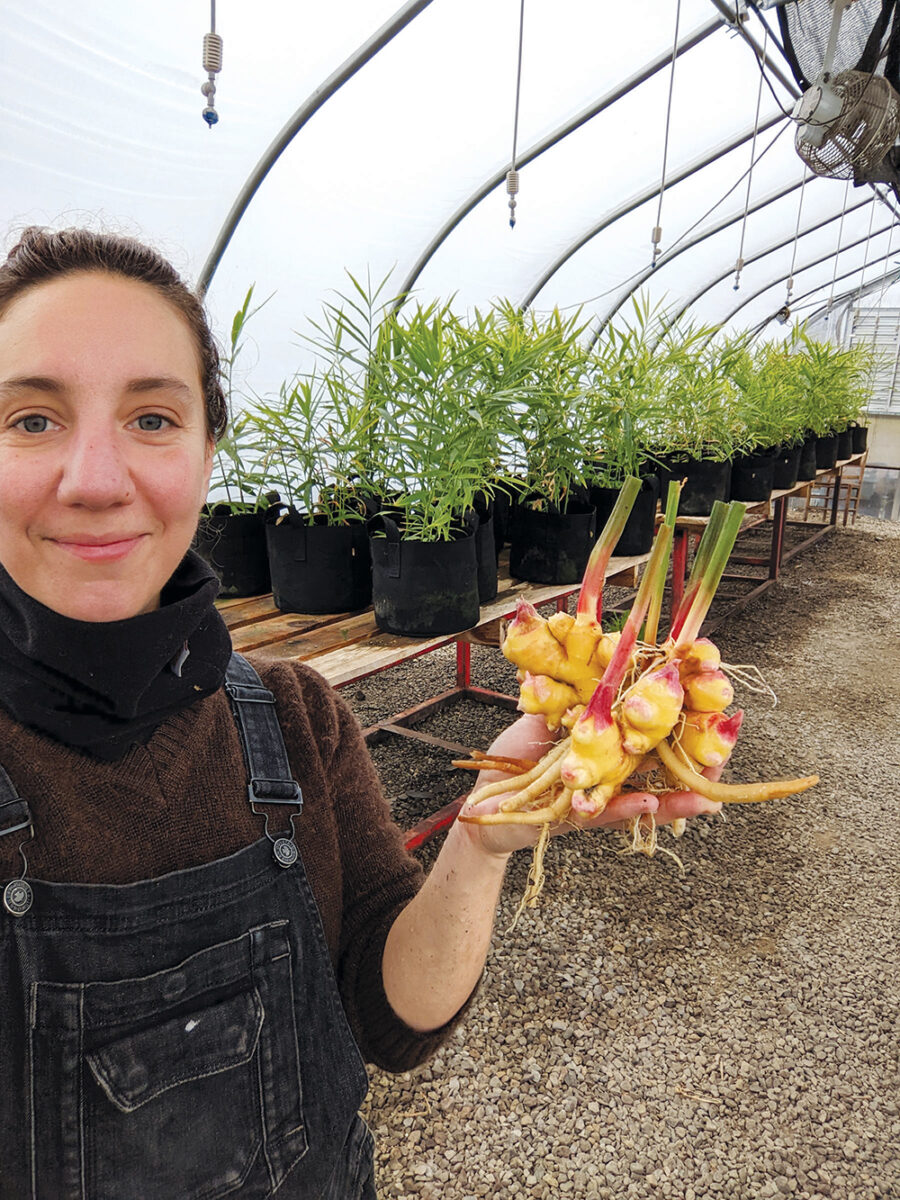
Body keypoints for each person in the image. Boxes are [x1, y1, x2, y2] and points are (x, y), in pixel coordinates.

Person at [0, 226, 719, 1199]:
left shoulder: (294, 721)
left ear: (211, 456)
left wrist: (481, 839)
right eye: (32, 420)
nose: (93, 477)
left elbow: (393, 1020)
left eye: (154, 418)